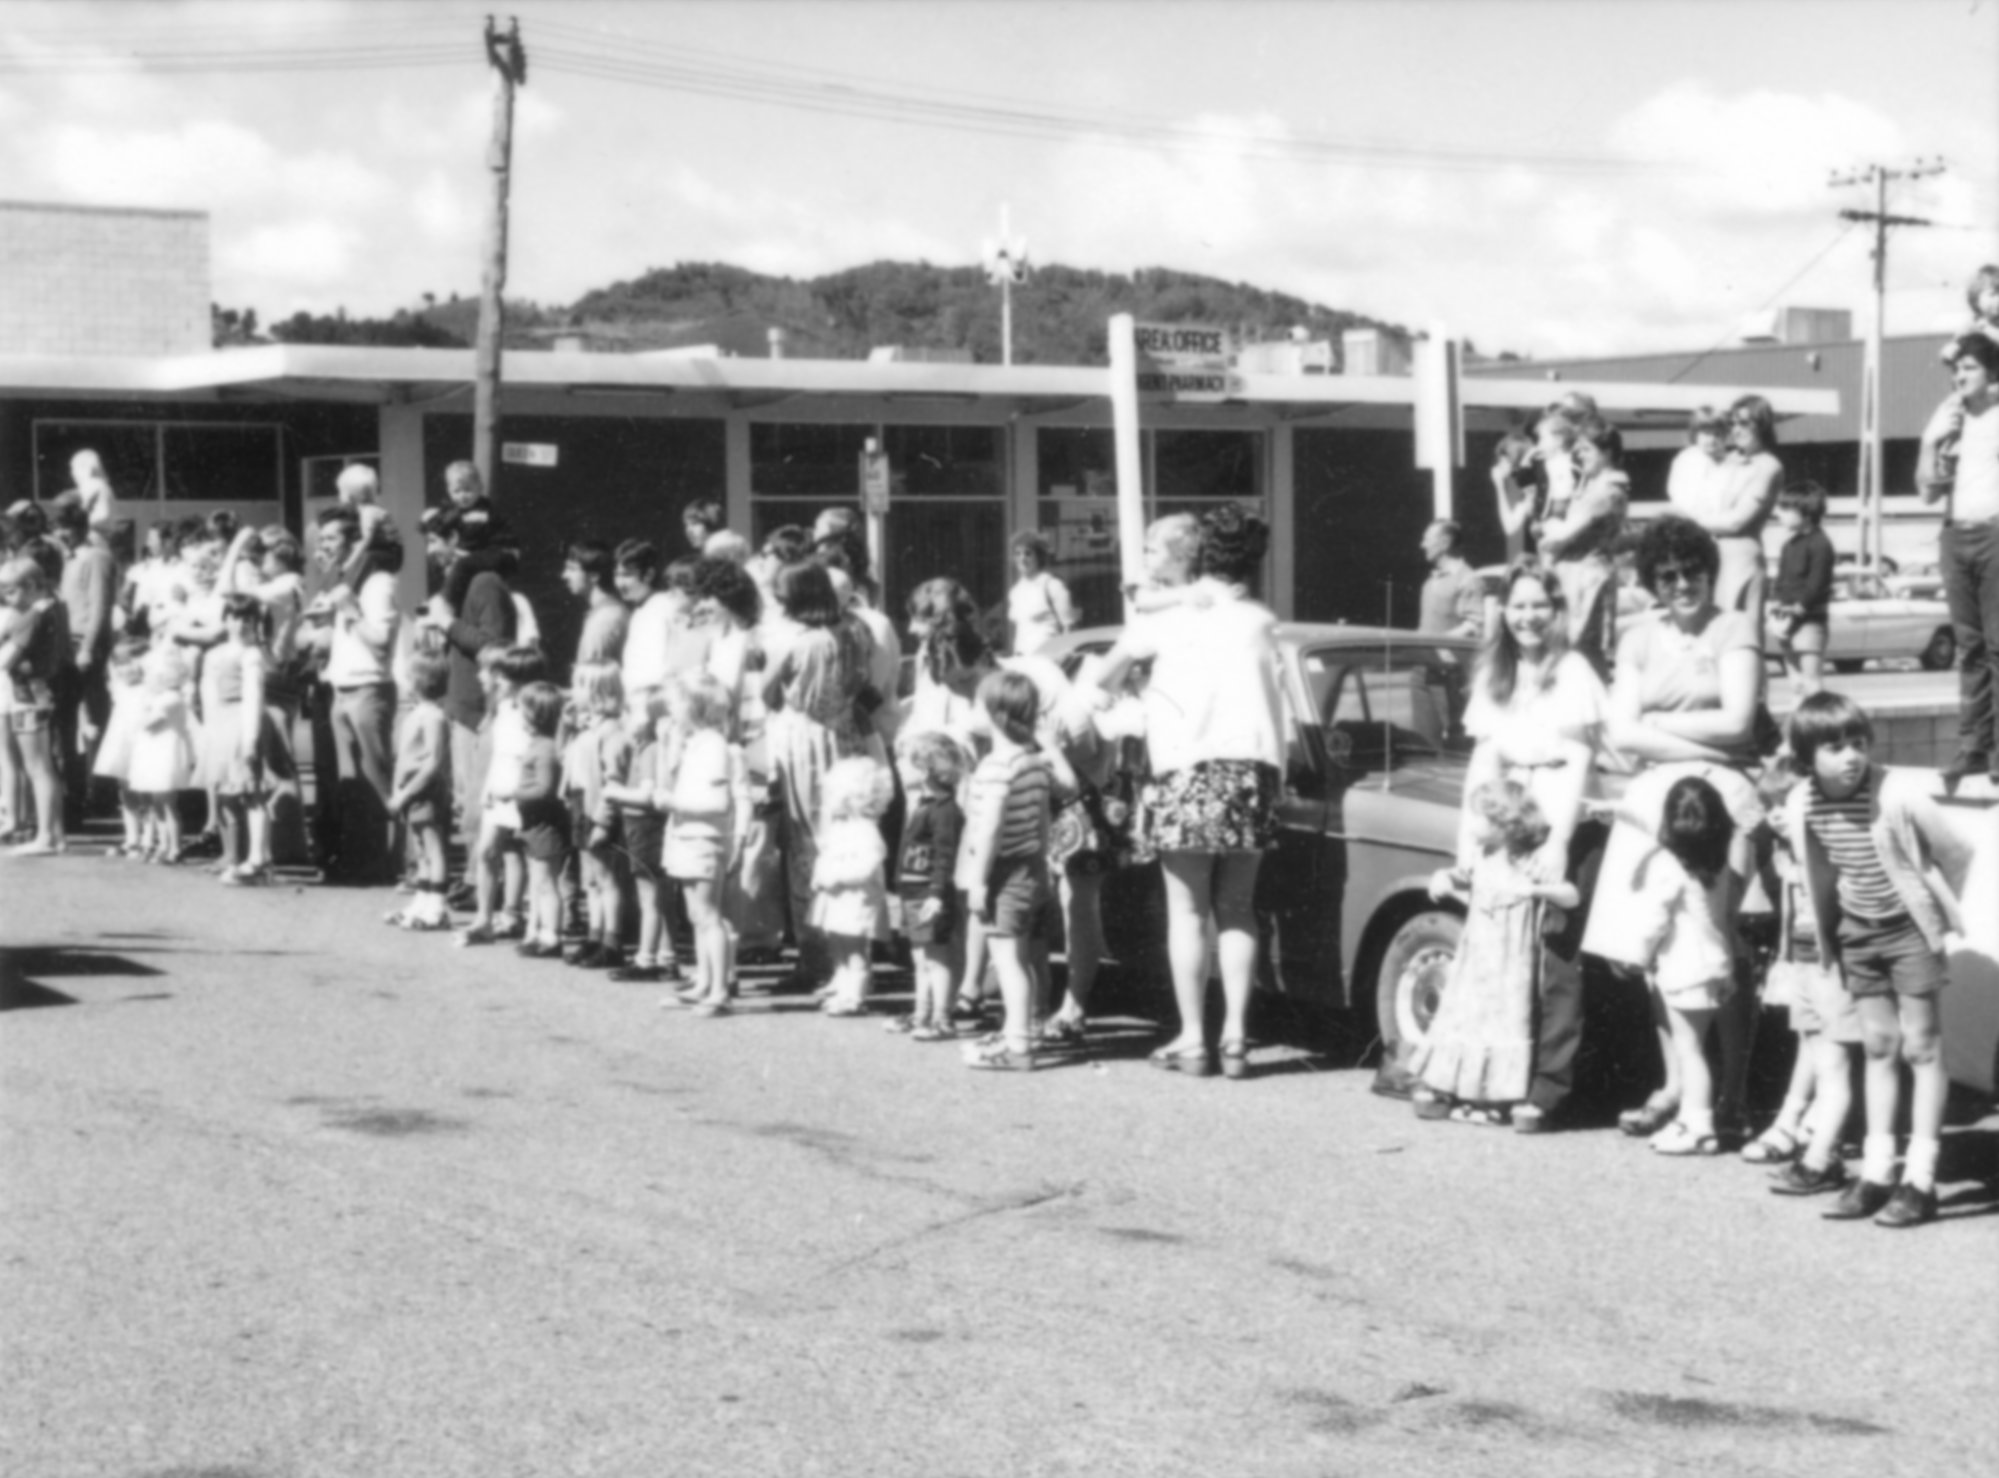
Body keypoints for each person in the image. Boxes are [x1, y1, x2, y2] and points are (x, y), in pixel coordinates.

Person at [1587, 515, 1767, 1143]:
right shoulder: (1638, 637)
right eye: (1667, 575)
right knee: (1660, 945)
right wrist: (1698, 736)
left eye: (1692, 571)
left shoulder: (1734, 627)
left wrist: (1658, 728)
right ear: (1652, 581)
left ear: (1707, 572)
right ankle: (1678, 1085)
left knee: (1725, 944)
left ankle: (1736, 1093)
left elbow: (1741, 720)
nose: (1682, 584)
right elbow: (1619, 730)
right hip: (1654, 798)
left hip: (1722, 793)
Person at [1089, 505, 1284, 1080]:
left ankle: (1194, 1037)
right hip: (1251, 769)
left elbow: (1103, 678)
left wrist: (1141, 697)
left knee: (1188, 910)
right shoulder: (1259, 619)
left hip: (1185, 770)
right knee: (1239, 909)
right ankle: (1236, 1038)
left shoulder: (1165, 621)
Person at [1417, 562, 1604, 1129]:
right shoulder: (1496, 669)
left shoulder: (1572, 670)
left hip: (1557, 810)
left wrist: (1560, 843)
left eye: (1539, 606)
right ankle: (1473, 1078)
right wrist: (1468, 844)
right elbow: (1485, 759)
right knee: (1494, 957)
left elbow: (1577, 758)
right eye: (1518, 606)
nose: (1527, 617)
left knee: (1551, 960)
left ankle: (1546, 1087)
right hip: (1505, 814)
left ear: (1557, 610)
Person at [1786, 692, 1973, 1229]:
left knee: (1921, 1046)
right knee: (1878, 1046)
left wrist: (1933, 909)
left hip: (1908, 934)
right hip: (1856, 934)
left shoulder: (1897, 793)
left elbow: (1957, 851)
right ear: (1807, 756)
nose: (1850, 756)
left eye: (1858, 744)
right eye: (1835, 747)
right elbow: (1818, 869)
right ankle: (1877, 1171)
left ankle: (1921, 1178)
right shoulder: (1805, 802)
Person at [1413, 780, 1580, 1124]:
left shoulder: (1526, 863)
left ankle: (1495, 1099)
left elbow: (1570, 895)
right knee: (1468, 1016)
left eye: (1480, 817)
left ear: (1504, 825)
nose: (1472, 824)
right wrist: (1441, 878)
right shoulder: (1483, 857)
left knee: (1504, 1021)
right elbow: (1460, 876)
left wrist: (1537, 888)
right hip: (1477, 956)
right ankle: (1458, 1087)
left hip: (1511, 960)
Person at [1590, 776, 1740, 1156]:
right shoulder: (1717, 860)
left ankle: (1698, 1125)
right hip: (1717, 966)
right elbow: (1663, 828)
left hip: (1685, 971)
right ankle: (1694, 1119)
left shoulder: (1669, 866)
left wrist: (1633, 958)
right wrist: (1620, 812)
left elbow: (1653, 921)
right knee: (1699, 1048)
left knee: (1689, 1051)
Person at [762, 561, 884, 988]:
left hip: (804, 742)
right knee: (847, 842)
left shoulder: (798, 644)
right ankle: (852, 955)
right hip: (845, 737)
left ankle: (815, 959)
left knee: (805, 847)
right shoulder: (855, 633)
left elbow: (769, 692)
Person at [956, 671, 1058, 1070]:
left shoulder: (997, 765)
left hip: (1002, 870)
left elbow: (991, 826)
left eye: (978, 704)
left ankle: (1017, 1044)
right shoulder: (1031, 760)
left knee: (1007, 959)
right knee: (1022, 958)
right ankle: (1024, 1030)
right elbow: (1043, 819)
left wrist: (979, 880)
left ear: (995, 714)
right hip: (1030, 865)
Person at [1916, 331, 1999, 789]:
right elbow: (1926, 490)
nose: (1959, 376)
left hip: (1994, 532)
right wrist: (1930, 442)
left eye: (1969, 368)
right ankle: (1973, 747)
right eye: (1956, 368)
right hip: (1955, 535)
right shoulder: (1950, 417)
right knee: (1970, 649)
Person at [304, 505, 402, 884]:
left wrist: (349, 610)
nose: (325, 545)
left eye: (332, 538)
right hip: (340, 689)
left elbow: (380, 643)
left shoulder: (379, 584)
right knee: (353, 785)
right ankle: (361, 861)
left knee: (378, 782)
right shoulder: (347, 580)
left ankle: (392, 864)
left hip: (368, 689)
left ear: (353, 543)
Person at [664, 672, 753, 1015]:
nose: (669, 709)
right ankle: (704, 980)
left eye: (674, 702)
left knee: (708, 915)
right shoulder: (696, 743)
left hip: (704, 837)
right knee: (697, 914)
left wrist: (671, 803)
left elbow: (716, 803)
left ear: (693, 706)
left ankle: (719, 990)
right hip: (688, 836)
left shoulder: (713, 746)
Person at [457, 645, 546, 947]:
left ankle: (516, 915)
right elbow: (498, 754)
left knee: (523, 853)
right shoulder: (503, 707)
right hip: (499, 785)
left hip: (522, 786)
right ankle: (484, 917)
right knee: (487, 851)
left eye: (505, 676)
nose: (498, 680)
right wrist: (487, 790)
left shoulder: (532, 708)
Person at [198, 593, 288, 886]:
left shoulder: (251, 655)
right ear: (225, 619)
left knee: (251, 792)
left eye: (247, 619)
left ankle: (259, 859)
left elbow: (253, 698)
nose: (240, 624)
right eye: (235, 617)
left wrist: (250, 739)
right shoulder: (213, 654)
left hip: (241, 724)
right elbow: (207, 695)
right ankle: (243, 857)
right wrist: (207, 732)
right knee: (227, 791)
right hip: (220, 726)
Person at [886, 729, 967, 1041]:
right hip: (913, 891)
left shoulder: (944, 811)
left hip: (928, 893)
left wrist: (937, 893)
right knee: (921, 957)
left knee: (936, 957)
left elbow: (945, 856)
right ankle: (922, 1012)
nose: (899, 767)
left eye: (905, 762)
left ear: (924, 769)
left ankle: (942, 1017)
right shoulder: (923, 803)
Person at [1538, 417, 1627, 680]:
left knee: (1580, 650)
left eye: (1587, 449)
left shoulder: (1606, 491)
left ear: (1607, 452)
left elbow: (1557, 538)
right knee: (1579, 651)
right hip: (1576, 574)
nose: (1580, 455)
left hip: (1586, 577)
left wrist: (1549, 528)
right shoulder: (1591, 485)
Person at [808, 754, 893, 1018]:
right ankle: (843, 989)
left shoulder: (866, 829)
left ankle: (854, 996)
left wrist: (835, 876)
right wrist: (819, 875)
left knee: (855, 948)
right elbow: (826, 855)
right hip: (836, 896)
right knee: (839, 945)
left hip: (855, 897)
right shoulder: (840, 826)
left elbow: (868, 865)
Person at [602, 690, 678, 985]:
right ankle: (667, 956)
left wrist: (614, 792)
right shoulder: (651, 747)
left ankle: (646, 958)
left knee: (650, 897)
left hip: (645, 825)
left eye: (631, 712)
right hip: (649, 826)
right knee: (663, 896)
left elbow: (646, 795)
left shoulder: (650, 750)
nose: (625, 718)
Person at [561, 663, 633, 970]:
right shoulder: (586, 728)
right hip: (580, 805)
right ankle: (595, 934)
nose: (573, 691)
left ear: (598, 693)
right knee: (590, 879)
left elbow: (613, 780)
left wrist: (604, 821)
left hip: (597, 809)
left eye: (579, 685)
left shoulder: (612, 732)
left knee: (607, 878)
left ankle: (612, 940)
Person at [0, 555, 70, 854]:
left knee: (38, 767)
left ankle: (45, 837)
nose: (5, 595)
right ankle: (53, 834)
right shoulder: (52, 609)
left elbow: (5, 660)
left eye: (10, 589)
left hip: (27, 694)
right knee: (42, 767)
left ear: (30, 585)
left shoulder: (33, 616)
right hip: (33, 692)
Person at [52, 499, 115, 827]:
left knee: (94, 722)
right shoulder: (68, 558)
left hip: (86, 648)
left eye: (66, 528)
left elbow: (100, 607)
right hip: (66, 648)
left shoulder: (97, 557)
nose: (61, 534)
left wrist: (89, 648)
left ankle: (102, 794)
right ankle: (75, 794)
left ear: (79, 528)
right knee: (68, 726)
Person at [384, 651, 455, 931]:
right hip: (410, 792)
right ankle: (422, 901)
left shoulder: (434, 717)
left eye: (409, 676)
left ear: (419, 681)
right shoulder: (416, 713)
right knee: (421, 849)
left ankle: (437, 906)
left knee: (433, 847)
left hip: (424, 792)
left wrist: (405, 793)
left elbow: (433, 762)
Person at [510, 681, 570, 960]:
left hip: (546, 824)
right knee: (538, 881)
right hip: (533, 824)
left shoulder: (545, 748)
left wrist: (511, 792)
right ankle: (537, 930)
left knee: (546, 882)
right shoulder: (538, 744)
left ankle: (551, 935)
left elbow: (545, 789)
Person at [1769, 483, 1837, 699]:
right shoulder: (1789, 545)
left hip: (1809, 621)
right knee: (1796, 681)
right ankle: (1800, 723)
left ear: (1806, 513)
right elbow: (1780, 581)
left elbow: (1818, 584)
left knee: (1811, 679)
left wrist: (1798, 610)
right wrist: (1776, 606)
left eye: (1785, 509)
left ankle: (1816, 725)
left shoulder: (1820, 544)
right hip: (1786, 620)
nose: (1777, 513)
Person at [129, 644, 195, 864]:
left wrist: (143, 706)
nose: (148, 680)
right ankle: (163, 843)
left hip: (165, 754)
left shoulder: (171, 699)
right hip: (154, 753)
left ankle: (175, 846)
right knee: (158, 804)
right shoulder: (159, 698)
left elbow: (148, 723)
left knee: (167, 803)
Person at [92, 634, 150, 858]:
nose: (129, 668)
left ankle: (149, 838)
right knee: (125, 790)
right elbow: (112, 668)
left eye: (135, 661)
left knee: (147, 791)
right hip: (122, 741)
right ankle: (132, 837)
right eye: (123, 663)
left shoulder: (149, 687)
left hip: (143, 742)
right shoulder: (118, 687)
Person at [1005, 530, 1077, 657]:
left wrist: (1064, 658)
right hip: (1022, 659)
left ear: (1038, 557)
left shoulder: (1052, 586)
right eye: (1018, 554)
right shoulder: (1015, 592)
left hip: (1048, 659)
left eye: (1028, 553)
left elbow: (1069, 627)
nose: (1023, 558)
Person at [1665, 407, 1730, 536]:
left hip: (1721, 527)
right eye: (1706, 434)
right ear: (1695, 434)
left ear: (1725, 436)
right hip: (1690, 526)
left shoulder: (1729, 461)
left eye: (1717, 434)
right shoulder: (1687, 460)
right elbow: (1680, 497)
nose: (1712, 439)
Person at [564, 540, 629, 668]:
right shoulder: (606, 612)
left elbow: (593, 678)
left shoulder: (604, 619)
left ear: (594, 576)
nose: (564, 575)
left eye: (572, 569)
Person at [1415, 519, 1483, 640]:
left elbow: (1474, 625)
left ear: (1445, 543)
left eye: (1427, 540)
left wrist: (1438, 642)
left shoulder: (1467, 580)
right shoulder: (1430, 582)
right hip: (1425, 656)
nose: (1422, 545)